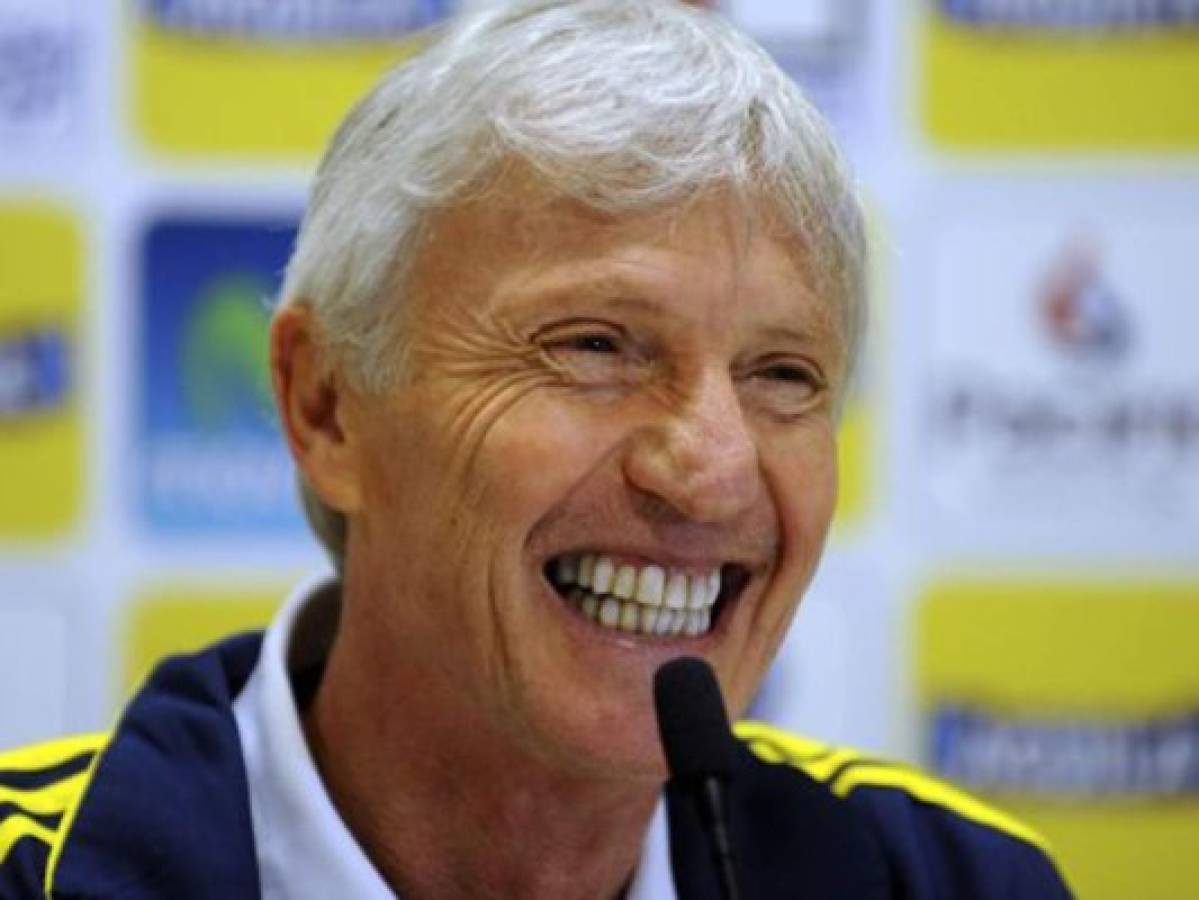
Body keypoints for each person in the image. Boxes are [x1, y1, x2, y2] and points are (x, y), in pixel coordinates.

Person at [0, 1, 1073, 897]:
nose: (711, 468)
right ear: (326, 407)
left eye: (780, 375)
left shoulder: (955, 881)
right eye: (596, 346)